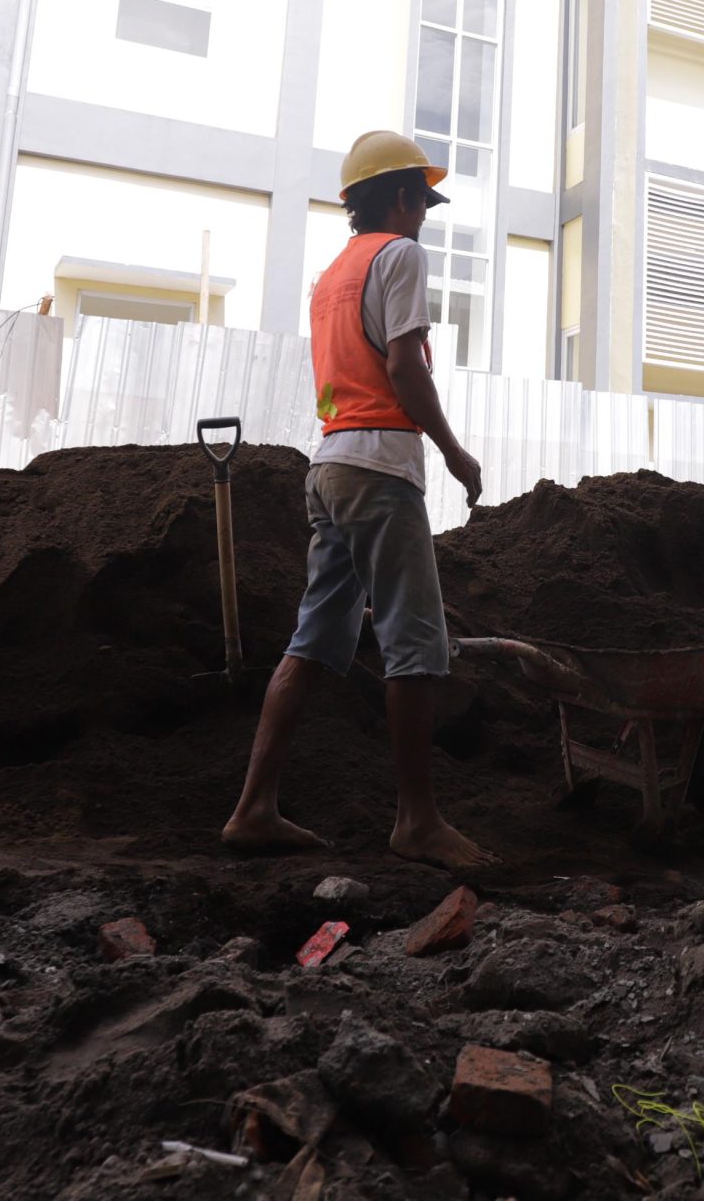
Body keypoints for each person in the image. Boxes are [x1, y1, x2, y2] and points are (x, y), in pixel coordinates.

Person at [222, 131, 494, 872]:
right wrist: (453, 450)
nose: (425, 217)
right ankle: (418, 820)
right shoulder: (400, 255)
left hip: (330, 466)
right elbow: (405, 366)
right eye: (423, 202)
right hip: (380, 470)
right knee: (414, 642)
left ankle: (253, 808)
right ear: (402, 197)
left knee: (312, 640)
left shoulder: (332, 274)